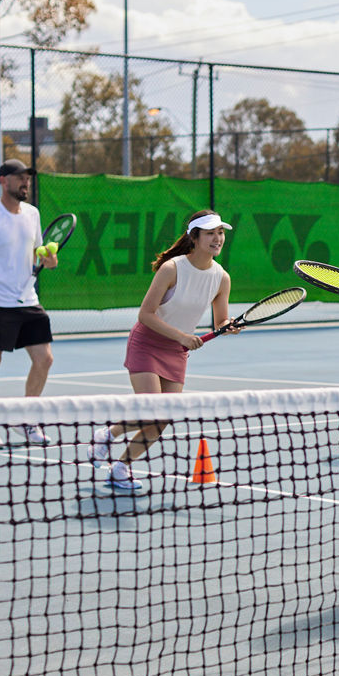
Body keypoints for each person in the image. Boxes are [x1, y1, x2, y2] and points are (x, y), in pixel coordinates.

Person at [87, 210, 235, 491]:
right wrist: (183, 336)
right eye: (210, 233)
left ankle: (120, 469)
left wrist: (229, 326)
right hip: (147, 343)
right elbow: (145, 314)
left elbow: (221, 321)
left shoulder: (221, 278)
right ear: (195, 238)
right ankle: (107, 434)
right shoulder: (172, 269)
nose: (218, 238)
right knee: (151, 409)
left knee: (163, 418)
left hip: (176, 352)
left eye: (220, 233)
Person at [0, 158, 57, 448]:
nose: (25, 182)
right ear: (3, 181)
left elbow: (38, 251)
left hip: (28, 300)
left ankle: (26, 420)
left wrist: (48, 259)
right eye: (19, 177)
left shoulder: (32, 214)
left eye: (28, 178)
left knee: (44, 359)